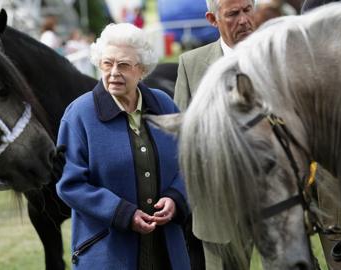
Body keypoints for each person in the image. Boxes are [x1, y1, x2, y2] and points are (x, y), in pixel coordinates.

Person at [56, 23, 190, 270]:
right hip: (106, 254)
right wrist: (121, 212)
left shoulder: (163, 105)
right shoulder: (79, 115)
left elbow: (189, 163)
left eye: (124, 65)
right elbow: (70, 184)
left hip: (167, 252)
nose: (114, 72)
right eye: (108, 63)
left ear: (142, 70)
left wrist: (177, 198)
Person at [173, 0, 256, 269]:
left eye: (248, 9)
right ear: (212, 19)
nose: (244, 20)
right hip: (218, 208)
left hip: (279, 202)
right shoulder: (191, 64)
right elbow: (182, 136)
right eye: (233, 14)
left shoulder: (279, 52)